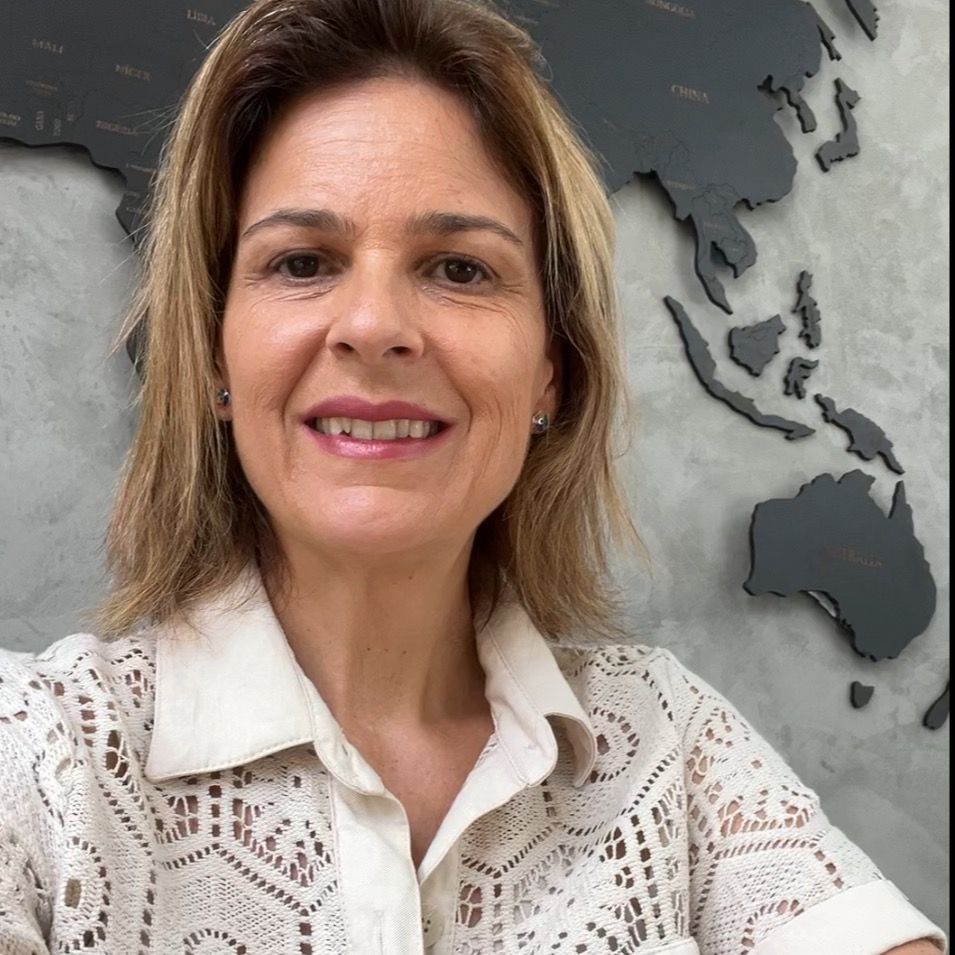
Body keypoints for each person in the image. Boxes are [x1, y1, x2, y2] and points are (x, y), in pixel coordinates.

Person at [0, 0, 946, 952]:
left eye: (458, 269)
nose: (373, 326)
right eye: (302, 261)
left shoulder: (667, 742)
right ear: (213, 353)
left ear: (550, 369)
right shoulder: (35, 755)